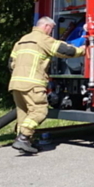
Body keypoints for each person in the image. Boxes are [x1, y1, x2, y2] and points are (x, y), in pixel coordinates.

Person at [7, 16, 85, 154]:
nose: (51, 32)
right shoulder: (43, 39)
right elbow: (66, 51)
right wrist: (84, 50)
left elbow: (10, 63)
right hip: (33, 84)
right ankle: (23, 138)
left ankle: (26, 142)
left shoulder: (22, 40)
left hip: (15, 83)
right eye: (52, 29)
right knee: (39, 111)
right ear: (47, 27)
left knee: (24, 113)